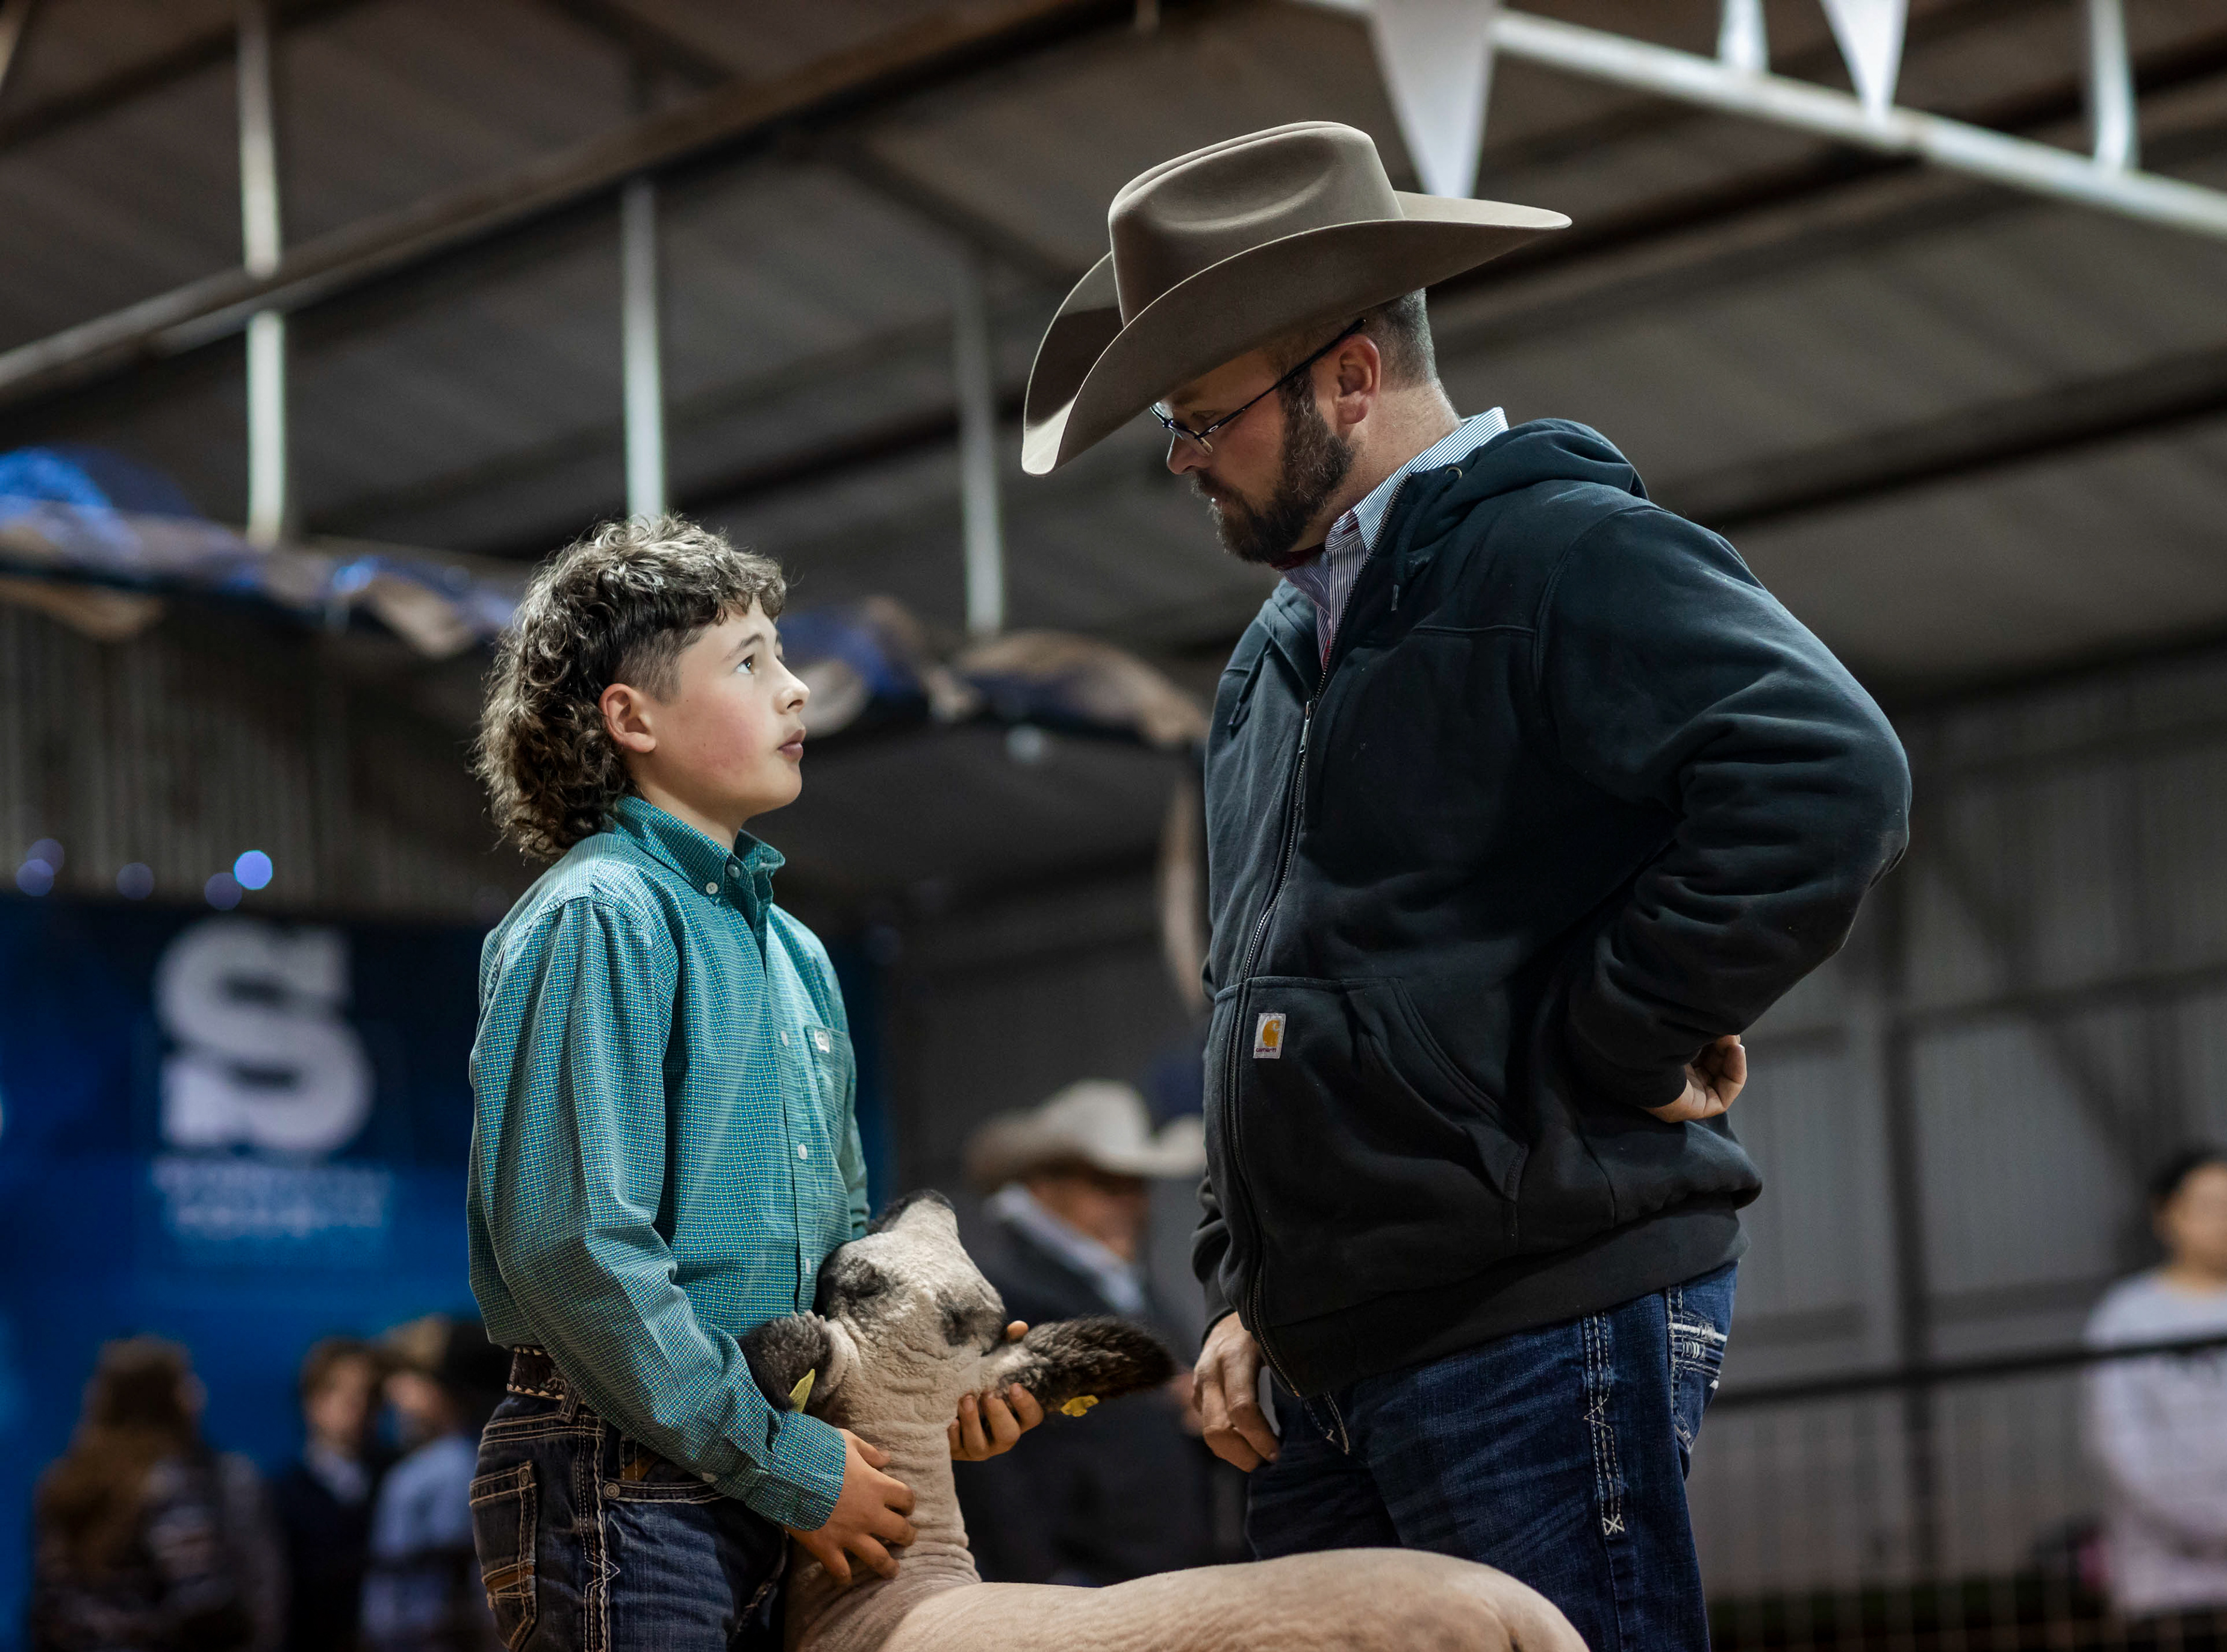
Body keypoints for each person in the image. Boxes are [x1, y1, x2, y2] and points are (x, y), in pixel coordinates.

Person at [1019, 122, 1911, 1650]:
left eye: (1204, 417)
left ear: (1351, 378)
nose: (1181, 458)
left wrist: (1615, 1036)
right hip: (1329, 1357)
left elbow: (1827, 772)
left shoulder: (1560, 553)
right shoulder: (1271, 660)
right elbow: (1256, 985)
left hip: (1527, 1311)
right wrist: (1246, 1293)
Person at [466, 517, 1044, 1651]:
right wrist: (784, 1461)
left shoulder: (798, 953)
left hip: (769, 1455)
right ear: (631, 718)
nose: (797, 689)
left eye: (781, 654)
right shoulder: (600, 914)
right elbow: (572, 1246)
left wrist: (934, 1391)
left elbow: (842, 1250)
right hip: (622, 1470)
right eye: (748, 661)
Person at [953, 1080, 1213, 1584]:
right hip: (1078, 1577)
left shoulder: (1132, 1289)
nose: (1129, 1202)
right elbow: (985, 1464)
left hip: (1157, 1569)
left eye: (1137, 1185)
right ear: (1044, 1184)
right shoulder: (997, 1291)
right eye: (1106, 1184)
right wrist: (1045, 1575)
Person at [2085, 1145, 2227, 1621]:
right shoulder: (2128, 1317)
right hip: (2173, 1589)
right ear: (2166, 1216)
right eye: (2209, 1206)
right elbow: (2125, 1446)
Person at [30, 1337, 283, 1652]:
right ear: (158, 1397)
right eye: (184, 1382)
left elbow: (49, 1605)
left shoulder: (61, 1481)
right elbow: (201, 1602)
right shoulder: (167, 1482)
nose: (197, 1393)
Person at [361, 1317, 511, 1652]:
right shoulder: (505, 1460)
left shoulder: (413, 1480)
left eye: (406, 1377)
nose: (394, 1394)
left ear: (438, 1387)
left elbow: (386, 1603)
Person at [270, 1337, 379, 1652]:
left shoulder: (395, 1480)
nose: (356, 1404)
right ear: (311, 1401)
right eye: (338, 1391)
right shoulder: (282, 1495)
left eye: (368, 1393)